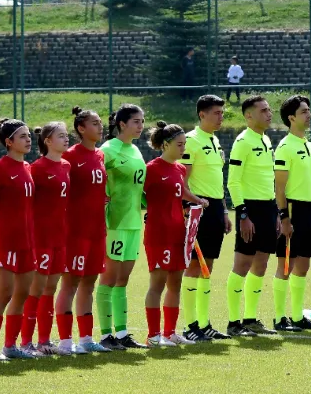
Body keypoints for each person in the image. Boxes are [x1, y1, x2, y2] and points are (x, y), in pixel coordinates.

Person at [144, 122, 210, 346]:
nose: (183, 148)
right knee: (157, 284)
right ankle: (153, 336)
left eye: (184, 144)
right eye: (179, 144)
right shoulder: (151, 168)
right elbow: (137, 194)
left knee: (175, 283)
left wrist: (198, 200)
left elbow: (182, 191)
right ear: (165, 145)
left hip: (178, 233)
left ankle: (170, 332)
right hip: (158, 233)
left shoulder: (180, 169)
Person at [0, 119, 39, 360]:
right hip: (5, 238)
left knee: (22, 294)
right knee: (4, 293)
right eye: (22, 136)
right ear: (9, 142)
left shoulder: (27, 167)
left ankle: (10, 346)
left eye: (29, 135)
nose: (28, 140)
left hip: (27, 239)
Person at [58, 107, 111, 354]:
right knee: (70, 283)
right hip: (75, 230)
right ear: (81, 128)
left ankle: (87, 339)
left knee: (89, 282)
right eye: (95, 123)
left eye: (100, 123)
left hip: (97, 229)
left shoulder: (100, 155)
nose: (100, 127)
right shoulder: (69, 156)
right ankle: (65, 341)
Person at [180, 95, 232, 342]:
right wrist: (188, 208)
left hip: (215, 208)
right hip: (197, 208)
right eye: (216, 113)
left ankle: (204, 323)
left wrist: (224, 211)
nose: (221, 117)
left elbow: (217, 181)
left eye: (222, 113)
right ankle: (190, 325)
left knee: (207, 267)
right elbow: (182, 180)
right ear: (202, 114)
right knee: (194, 266)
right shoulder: (191, 141)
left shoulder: (214, 140)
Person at [97, 104, 148, 350]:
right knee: (109, 278)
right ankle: (106, 335)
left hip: (133, 222)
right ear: (122, 124)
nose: (141, 126)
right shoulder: (107, 150)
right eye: (136, 121)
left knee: (123, 280)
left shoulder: (136, 150)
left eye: (142, 121)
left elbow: (138, 188)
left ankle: (122, 333)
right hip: (114, 222)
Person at [226, 95, 278, 336]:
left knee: (262, 263)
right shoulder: (242, 141)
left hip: (268, 208)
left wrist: (276, 212)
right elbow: (233, 181)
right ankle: (233, 323)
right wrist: (243, 214)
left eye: (269, 109)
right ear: (249, 115)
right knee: (242, 264)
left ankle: (250, 319)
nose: (269, 113)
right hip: (250, 209)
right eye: (263, 110)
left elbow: (268, 180)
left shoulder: (266, 139)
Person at [272, 96, 311, 332]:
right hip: (291, 209)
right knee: (286, 265)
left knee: (303, 265)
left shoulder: (309, 146)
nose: (308, 115)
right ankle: (280, 318)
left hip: (308, 210)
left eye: (308, 110)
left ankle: (297, 316)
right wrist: (284, 217)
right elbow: (279, 187)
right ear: (291, 118)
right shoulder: (285, 147)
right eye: (303, 112)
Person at [26, 121, 72, 355]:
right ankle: (26, 342)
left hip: (59, 235)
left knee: (50, 288)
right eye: (61, 136)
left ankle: (44, 341)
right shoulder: (37, 168)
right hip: (41, 235)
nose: (66, 139)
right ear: (48, 141)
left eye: (66, 135)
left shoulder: (66, 165)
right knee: (36, 289)